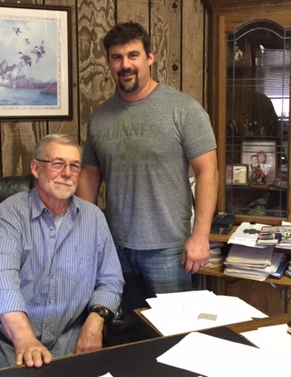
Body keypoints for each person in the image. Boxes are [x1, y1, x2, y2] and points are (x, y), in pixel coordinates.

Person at [76, 22, 219, 341]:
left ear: (150, 57)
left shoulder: (183, 109)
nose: (125, 64)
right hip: (116, 249)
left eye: (133, 55)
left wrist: (201, 236)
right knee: (128, 334)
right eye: (116, 57)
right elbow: (89, 175)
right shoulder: (100, 117)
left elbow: (208, 171)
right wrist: (84, 236)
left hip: (168, 248)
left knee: (175, 336)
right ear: (110, 63)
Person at [0, 134, 124, 373]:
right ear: (36, 168)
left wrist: (96, 320)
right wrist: (25, 339)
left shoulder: (94, 218)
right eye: (58, 164)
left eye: (74, 166)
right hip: (4, 338)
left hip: (68, 335)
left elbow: (111, 281)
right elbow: (2, 282)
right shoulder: (8, 215)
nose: (67, 173)